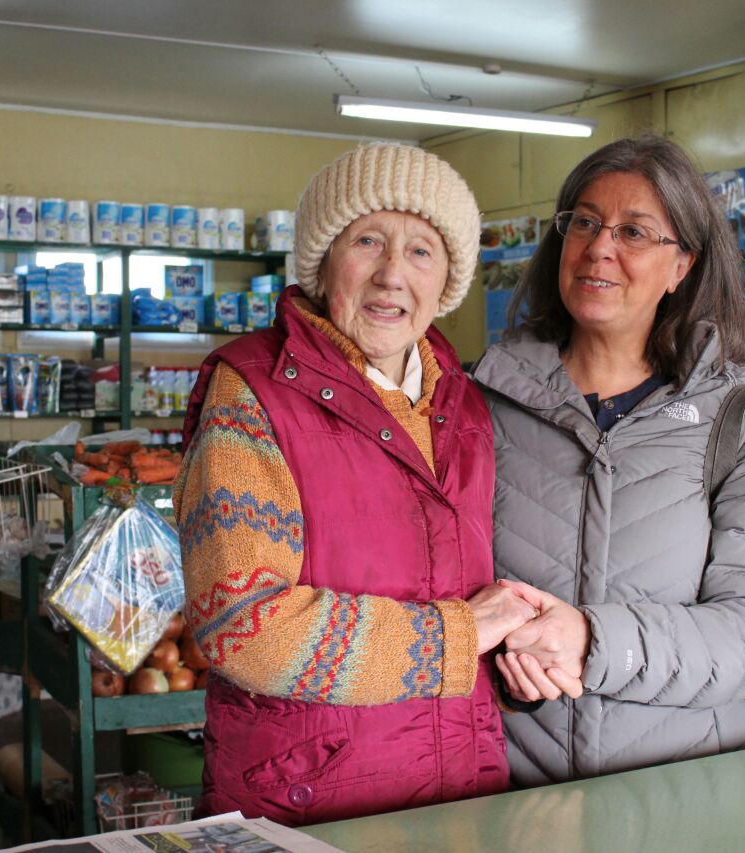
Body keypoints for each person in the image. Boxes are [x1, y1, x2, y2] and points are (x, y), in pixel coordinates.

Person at [174, 143, 536, 824]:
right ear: (322, 261)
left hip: (461, 796)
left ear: (447, 280)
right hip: (314, 806)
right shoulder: (250, 393)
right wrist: (457, 638)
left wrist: (526, 649)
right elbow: (245, 628)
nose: (393, 274)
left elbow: (480, 595)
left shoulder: (467, 407)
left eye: (422, 250)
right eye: (369, 240)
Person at [472, 134, 745, 787]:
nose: (600, 247)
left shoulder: (739, 423)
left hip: (687, 801)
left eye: (634, 232)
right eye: (584, 222)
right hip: (507, 803)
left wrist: (593, 641)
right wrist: (505, 658)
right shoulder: (478, 407)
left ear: (682, 265)